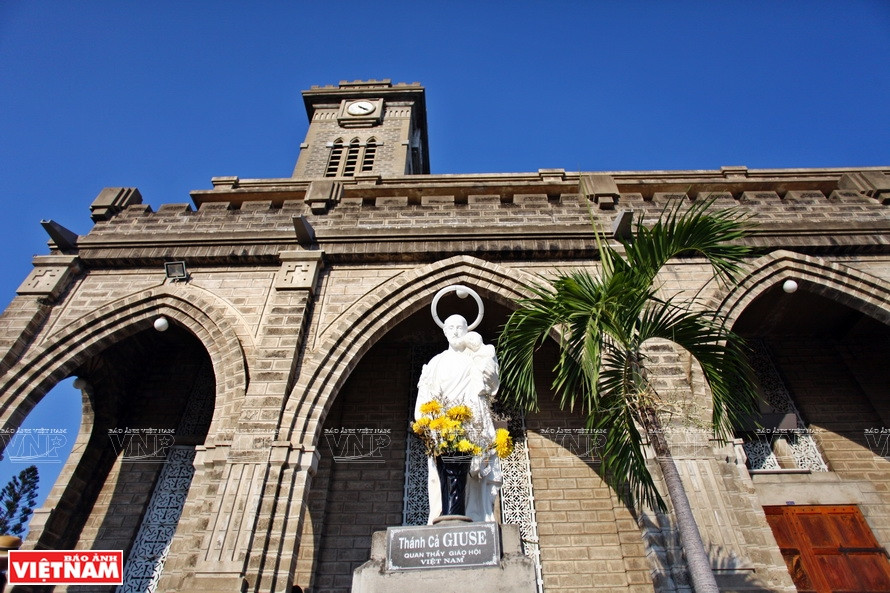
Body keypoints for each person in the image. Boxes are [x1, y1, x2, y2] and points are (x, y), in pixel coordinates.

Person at [415, 314, 502, 523]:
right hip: (443, 427)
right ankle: (443, 516)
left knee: (475, 473)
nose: (455, 332)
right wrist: (426, 422)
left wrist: (482, 352)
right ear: (444, 331)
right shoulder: (436, 362)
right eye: (451, 327)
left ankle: (476, 518)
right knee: (441, 474)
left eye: (460, 327)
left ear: (467, 331)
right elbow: (425, 394)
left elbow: (491, 383)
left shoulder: (475, 358)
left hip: (473, 424)